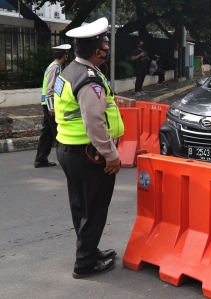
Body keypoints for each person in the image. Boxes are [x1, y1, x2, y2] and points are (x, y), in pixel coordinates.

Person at [55, 17, 124, 279]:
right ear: (98, 51)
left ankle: (90, 251)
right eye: (106, 42)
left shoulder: (70, 71)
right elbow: (94, 123)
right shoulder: (89, 79)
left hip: (69, 149)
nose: (108, 46)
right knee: (94, 208)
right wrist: (111, 155)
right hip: (88, 153)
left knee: (82, 206)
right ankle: (85, 264)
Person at [34, 44, 70, 168]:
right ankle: (66, 160)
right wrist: (52, 107)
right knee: (59, 133)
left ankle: (40, 159)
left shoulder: (53, 66)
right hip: (51, 105)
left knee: (47, 133)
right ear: (64, 56)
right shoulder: (55, 68)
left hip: (47, 104)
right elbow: (50, 88)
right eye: (67, 55)